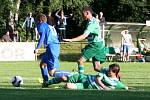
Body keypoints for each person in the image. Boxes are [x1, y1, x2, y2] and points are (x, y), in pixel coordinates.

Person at [63, 7, 106, 74]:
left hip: (95, 45)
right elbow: (90, 35)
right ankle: (113, 73)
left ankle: (80, 78)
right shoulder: (91, 21)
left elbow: (84, 35)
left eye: (83, 14)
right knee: (97, 67)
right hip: (97, 44)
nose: (82, 16)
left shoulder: (92, 23)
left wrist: (71, 40)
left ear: (87, 13)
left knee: (80, 61)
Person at [34, 14, 71, 87]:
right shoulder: (49, 26)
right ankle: (46, 83)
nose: (36, 22)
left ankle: (71, 74)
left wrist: (37, 48)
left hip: (52, 48)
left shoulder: (41, 26)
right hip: (52, 47)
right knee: (43, 65)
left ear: (40, 21)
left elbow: (42, 36)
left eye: (36, 21)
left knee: (52, 73)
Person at [45, 63, 128, 90]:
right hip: (84, 78)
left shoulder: (115, 83)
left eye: (109, 71)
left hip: (85, 85)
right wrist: (105, 88)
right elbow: (97, 79)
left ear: (114, 73)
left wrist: (128, 88)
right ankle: (47, 83)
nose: (107, 71)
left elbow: (125, 87)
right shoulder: (104, 72)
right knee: (63, 78)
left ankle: (59, 88)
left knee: (67, 86)